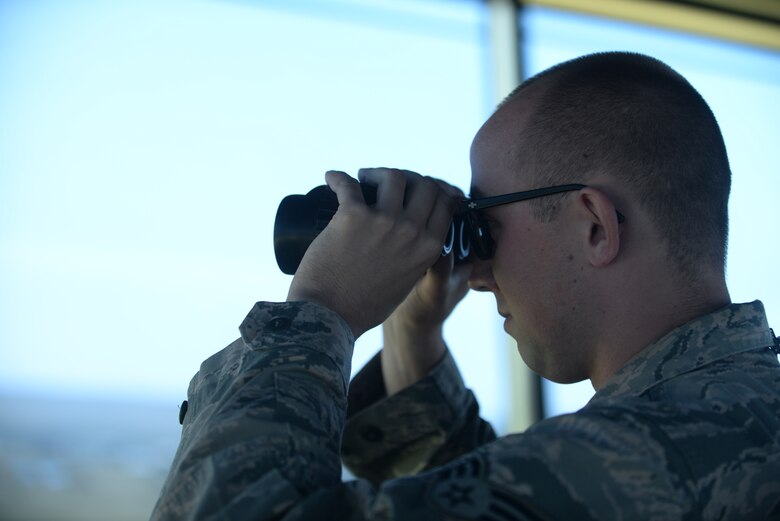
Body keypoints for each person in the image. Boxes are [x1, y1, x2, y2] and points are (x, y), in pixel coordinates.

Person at [151, 52, 780, 520]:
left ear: (594, 226)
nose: (477, 273)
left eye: (486, 226)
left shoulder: (652, 457)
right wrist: (411, 336)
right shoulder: (728, 418)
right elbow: (499, 494)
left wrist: (322, 310)